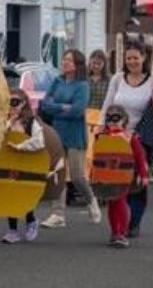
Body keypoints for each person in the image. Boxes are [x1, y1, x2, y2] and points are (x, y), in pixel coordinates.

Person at [99, 40, 153, 235]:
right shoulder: (118, 79)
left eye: (135, 58)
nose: (132, 61)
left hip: (140, 138)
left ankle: (133, 223)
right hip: (115, 136)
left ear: (144, 58)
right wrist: (100, 128)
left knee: (137, 182)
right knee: (118, 181)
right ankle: (120, 221)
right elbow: (107, 104)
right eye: (128, 58)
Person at [39, 49, 102, 228]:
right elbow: (45, 105)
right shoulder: (57, 81)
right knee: (57, 174)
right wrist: (64, 107)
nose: (65, 62)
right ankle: (58, 214)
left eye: (69, 60)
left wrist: (59, 108)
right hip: (57, 133)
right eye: (64, 59)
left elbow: (77, 110)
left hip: (75, 134)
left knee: (77, 176)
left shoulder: (82, 85)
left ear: (77, 65)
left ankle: (91, 200)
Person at [98, 105, 149, 248]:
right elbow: (97, 158)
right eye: (109, 119)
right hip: (108, 176)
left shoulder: (130, 137)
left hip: (124, 176)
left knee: (120, 201)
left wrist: (143, 175)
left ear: (124, 120)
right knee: (111, 204)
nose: (112, 122)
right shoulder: (102, 136)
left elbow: (139, 157)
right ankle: (115, 232)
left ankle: (121, 232)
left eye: (116, 119)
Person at [1, 89, 45, 244]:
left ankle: (31, 220)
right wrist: (9, 122)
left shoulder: (31, 122)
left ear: (24, 103)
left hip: (26, 161)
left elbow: (39, 141)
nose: (12, 106)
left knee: (23, 194)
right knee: (9, 195)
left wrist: (20, 147)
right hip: (8, 163)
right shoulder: (4, 120)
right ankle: (12, 230)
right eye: (9, 102)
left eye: (16, 102)